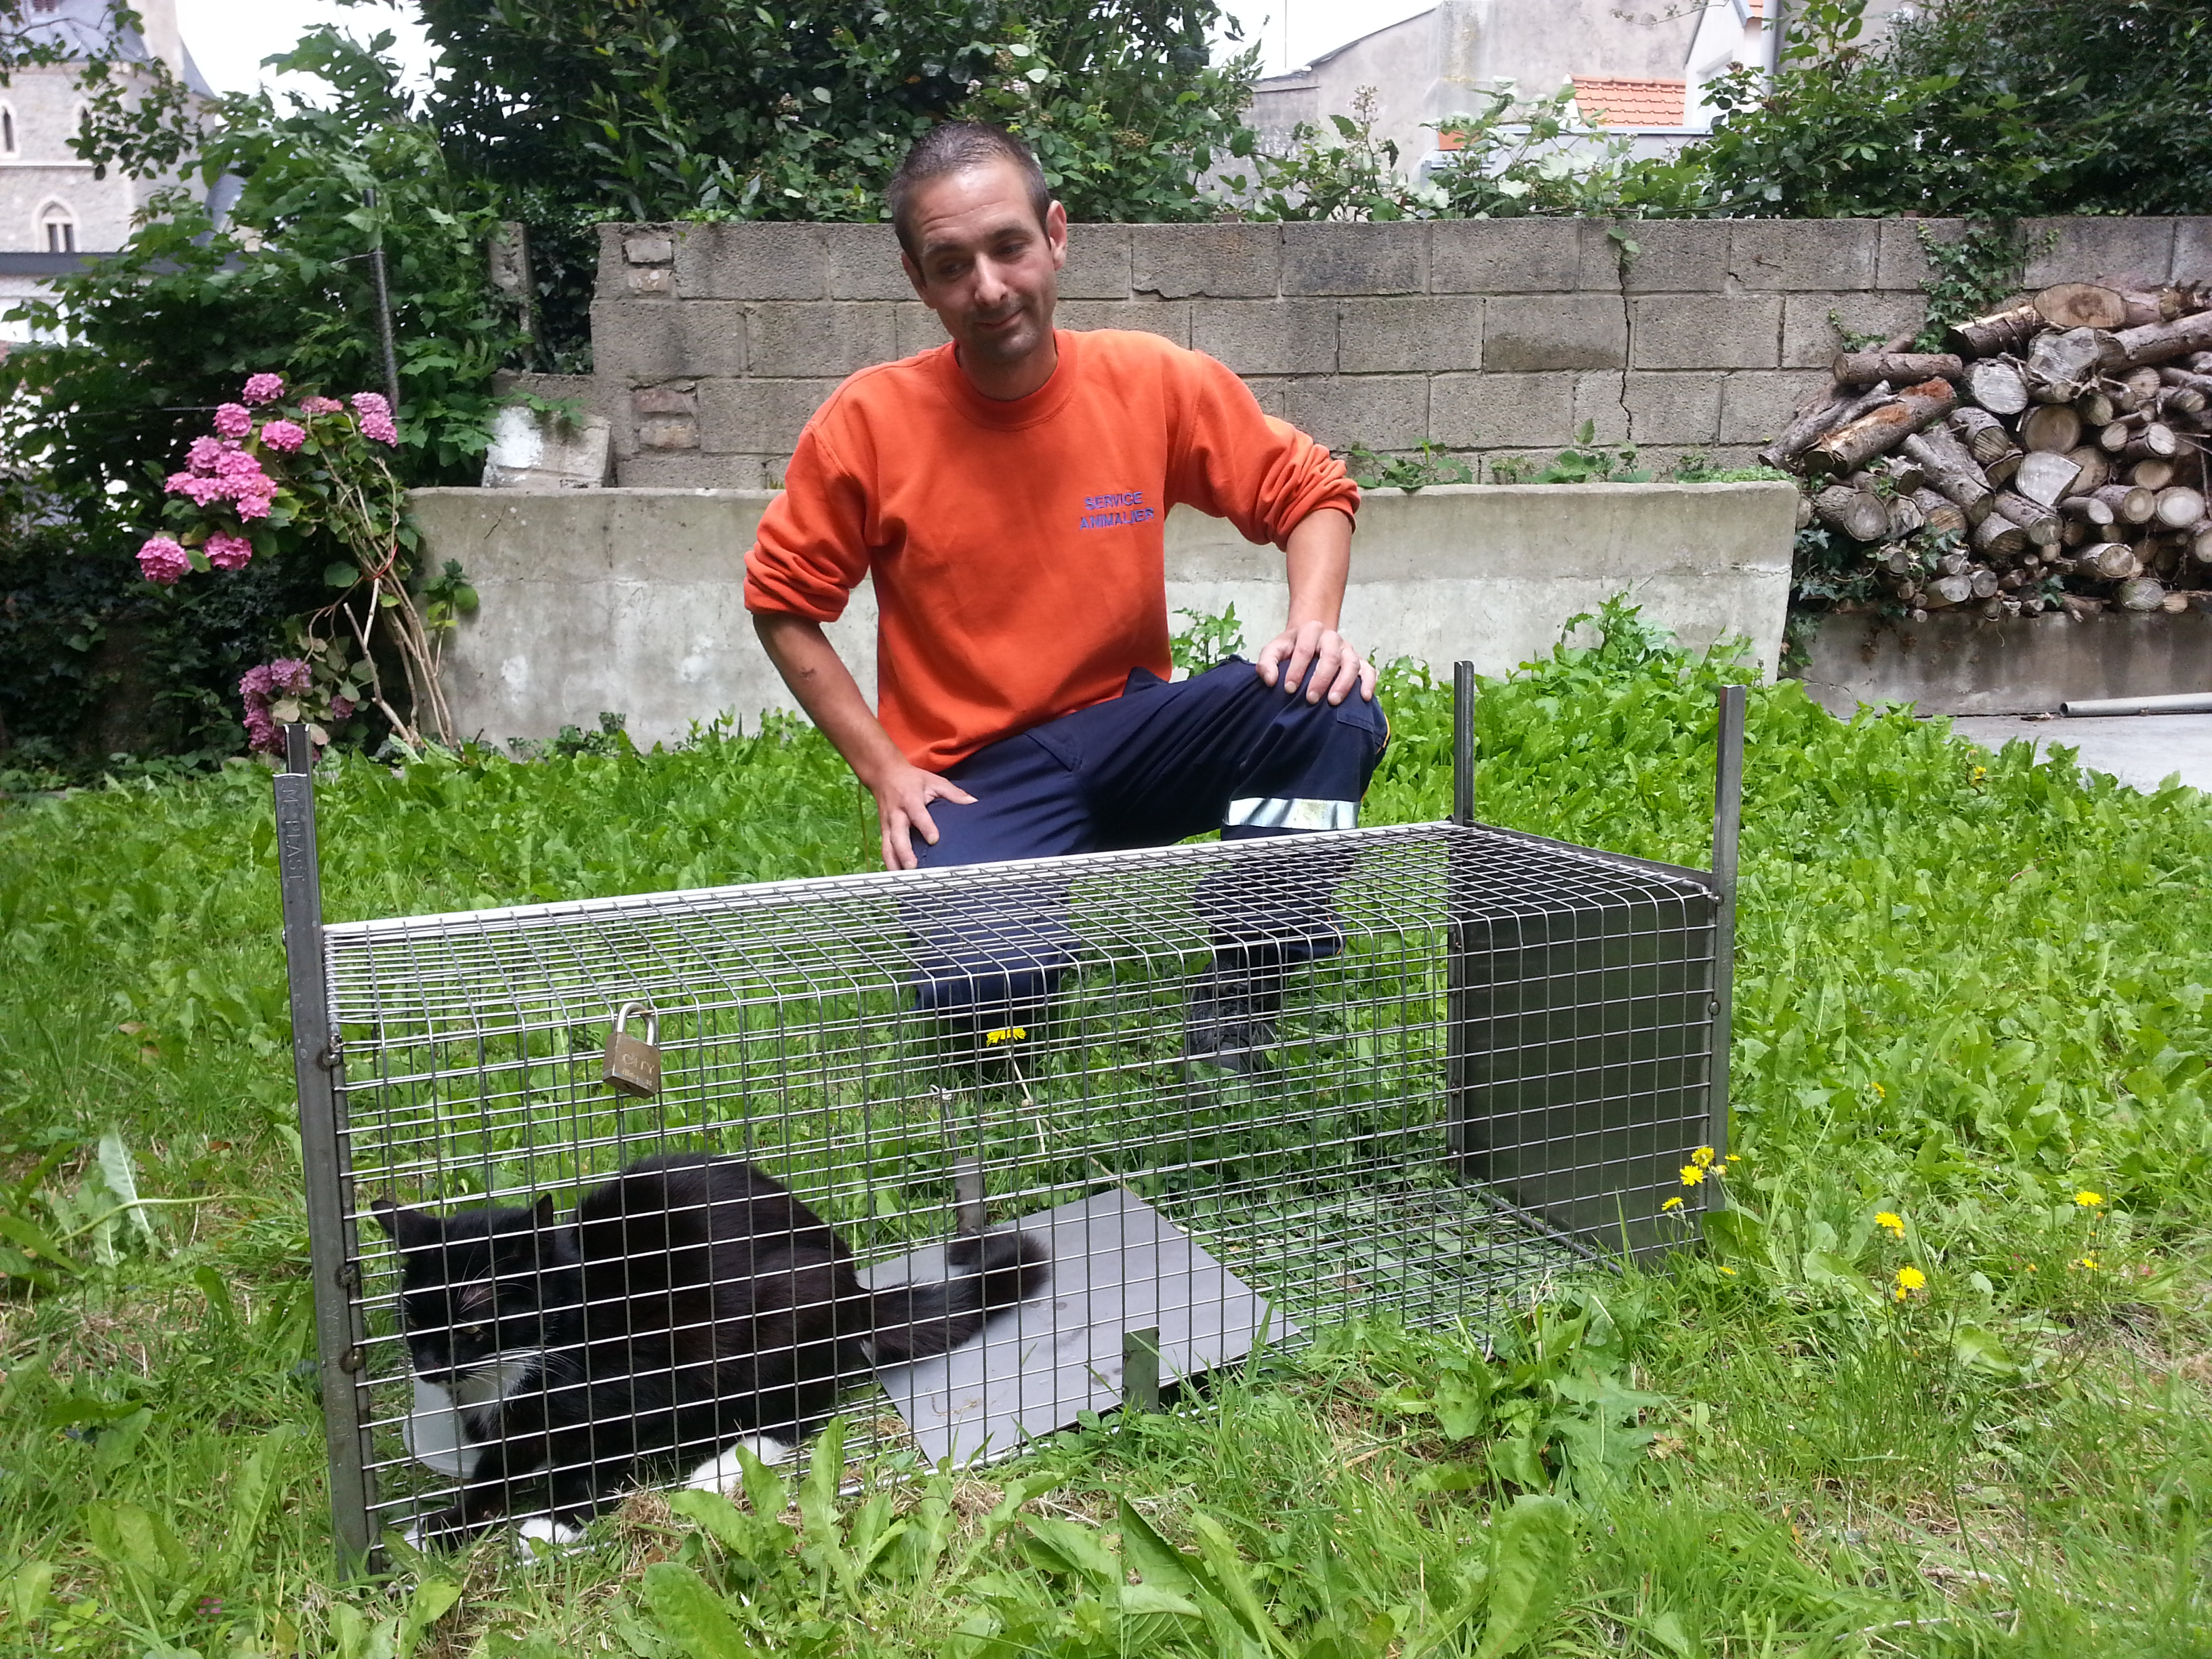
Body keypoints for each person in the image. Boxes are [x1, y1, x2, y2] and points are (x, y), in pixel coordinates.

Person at [743, 122, 1387, 1069]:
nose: (990, 288)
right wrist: (885, 770)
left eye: (1008, 246)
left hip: (1131, 737)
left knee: (1327, 709)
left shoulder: (1151, 381)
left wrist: (1313, 627)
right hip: (977, 775)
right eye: (952, 264)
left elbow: (1314, 492)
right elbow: (781, 601)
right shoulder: (868, 424)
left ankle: (1250, 974)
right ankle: (1011, 965)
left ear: (1056, 235)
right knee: (985, 1021)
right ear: (920, 282)